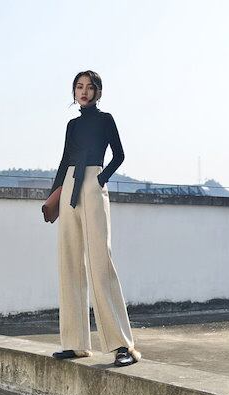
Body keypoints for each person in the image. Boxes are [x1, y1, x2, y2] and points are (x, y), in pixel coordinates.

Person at [49, 70, 141, 367]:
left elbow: (119, 154)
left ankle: (122, 346)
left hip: (92, 184)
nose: (84, 91)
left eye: (90, 87)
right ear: (74, 92)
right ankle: (74, 344)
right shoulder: (72, 125)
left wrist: (100, 179)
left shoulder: (105, 120)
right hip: (69, 187)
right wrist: (53, 197)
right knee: (69, 262)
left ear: (98, 92)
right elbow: (65, 160)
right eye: (79, 87)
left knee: (100, 262)